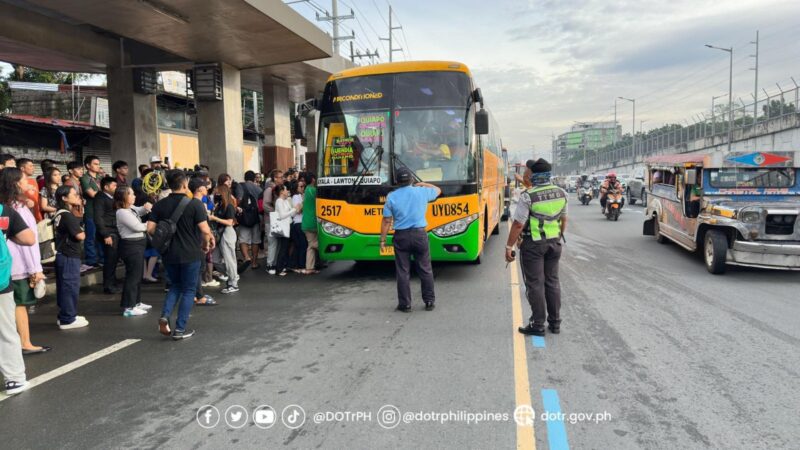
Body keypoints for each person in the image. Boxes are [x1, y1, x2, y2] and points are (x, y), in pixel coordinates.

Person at [147, 171, 215, 340]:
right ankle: (179, 329)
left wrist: (165, 238)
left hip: (169, 253)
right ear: (185, 184)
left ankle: (165, 315)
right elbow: (205, 230)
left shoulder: (159, 205)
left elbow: (150, 229)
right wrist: (206, 245)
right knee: (189, 290)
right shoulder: (195, 204)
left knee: (175, 285)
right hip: (191, 252)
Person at [505, 158, 568, 336]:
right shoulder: (562, 193)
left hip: (533, 245)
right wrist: (558, 236)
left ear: (534, 176)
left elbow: (518, 224)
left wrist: (508, 246)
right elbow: (563, 220)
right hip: (554, 243)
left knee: (535, 284)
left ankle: (538, 324)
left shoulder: (528, 196)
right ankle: (555, 323)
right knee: (553, 282)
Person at [379, 168, 441, 312]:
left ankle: (405, 304)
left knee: (403, 271)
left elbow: (386, 221)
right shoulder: (421, 192)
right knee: (425, 269)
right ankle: (429, 301)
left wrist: (382, 240)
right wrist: (422, 184)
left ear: (397, 181)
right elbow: (438, 190)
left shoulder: (391, 197)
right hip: (420, 235)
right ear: (411, 179)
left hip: (401, 236)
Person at [1, 169, 48, 355]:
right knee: (20, 304)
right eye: (25, 181)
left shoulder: (11, 206)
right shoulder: (15, 209)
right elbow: (27, 243)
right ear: (15, 185)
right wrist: (35, 269)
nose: (29, 184)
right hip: (19, 266)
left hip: (11, 265)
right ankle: (25, 342)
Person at [0, 170, 36, 395]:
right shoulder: (5, 211)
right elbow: (29, 238)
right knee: (5, 330)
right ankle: (14, 379)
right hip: (1, 281)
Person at [53, 185, 88, 330]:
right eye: (74, 194)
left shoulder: (59, 213)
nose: (77, 196)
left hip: (63, 254)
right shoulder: (67, 215)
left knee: (65, 286)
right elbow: (80, 235)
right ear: (64, 198)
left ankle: (65, 315)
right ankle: (68, 318)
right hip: (68, 255)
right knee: (70, 286)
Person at [114, 186, 153, 316]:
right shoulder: (122, 212)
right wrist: (150, 225)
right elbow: (137, 227)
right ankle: (128, 306)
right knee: (132, 276)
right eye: (131, 194)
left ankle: (136, 302)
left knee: (137, 275)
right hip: (131, 245)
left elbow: (140, 211)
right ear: (124, 197)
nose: (134, 196)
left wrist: (146, 208)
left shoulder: (130, 208)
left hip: (138, 244)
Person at [209, 184, 239, 293]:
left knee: (229, 259)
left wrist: (214, 218)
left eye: (218, 192)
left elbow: (230, 222)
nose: (216, 194)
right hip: (220, 233)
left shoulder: (229, 206)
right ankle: (231, 275)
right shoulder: (220, 205)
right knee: (215, 259)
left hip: (227, 232)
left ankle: (233, 283)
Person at [95, 176, 121, 294]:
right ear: (106, 187)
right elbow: (98, 217)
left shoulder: (112, 197)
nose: (116, 188)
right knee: (110, 259)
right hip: (109, 232)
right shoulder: (100, 198)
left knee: (114, 259)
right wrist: (105, 234)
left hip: (114, 231)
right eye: (114, 185)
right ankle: (108, 285)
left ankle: (112, 282)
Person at [235, 170, 263, 270]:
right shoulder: (258, 188)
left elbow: (238, 199)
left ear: (245, 177)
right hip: (256, 216)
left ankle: (247, 258)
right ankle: (254, 262)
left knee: (243, 239)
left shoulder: (240, 186)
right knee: (256, 240)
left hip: (244, 216)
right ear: (254, 178)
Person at [80, 155, 103, 267]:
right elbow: (92, 194)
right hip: (90, 211)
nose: (98, 166)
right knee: (90, 237)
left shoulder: (100, 178)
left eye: (98, 164)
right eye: (95, 164)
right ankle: (92, 260)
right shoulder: (84, 178)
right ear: (88, 165)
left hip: (101, 212)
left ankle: (101, 258)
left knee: (101, 236)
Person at [273, 185, 300, 276]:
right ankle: (279, 269)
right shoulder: (279, 201)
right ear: (281, 192)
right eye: (285, 189)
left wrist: (296, 209)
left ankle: (286, 265)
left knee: (288, 246)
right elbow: (282, 215)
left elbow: (292, 214)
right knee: (283, 247)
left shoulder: (285, 200)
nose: (287, 191)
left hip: (289, 225)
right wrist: (294, 209)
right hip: (284, 226)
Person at [263, 169, 284, 274]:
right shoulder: (269, 190)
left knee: (277, 242)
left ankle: (274, 264)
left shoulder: (277, 189)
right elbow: (265, 205)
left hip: (276, 219)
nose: (282, 179)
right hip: (271, 220)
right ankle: (270, 264)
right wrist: (277, 211)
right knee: (272, 242)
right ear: (275, 178)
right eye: (280, 177)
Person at [301, 172, 319, 274]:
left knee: (310, 246)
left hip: (306, 222)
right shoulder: (313, 190)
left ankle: (309, 268)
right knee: (314, 244)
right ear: (313, 179)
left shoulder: (307, 190)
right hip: (312, 222)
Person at [289, 180, 308, 272]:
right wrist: (304, 201)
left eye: (303, 186)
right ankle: (301, 265)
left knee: (299, 245)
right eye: (301, 186)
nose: (303, 188)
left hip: (299, 223)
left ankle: (295, 264)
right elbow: (298, 210)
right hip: (298, 223)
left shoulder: (299, 196)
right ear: (296, 188)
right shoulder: (296, 197)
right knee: (302, 245)